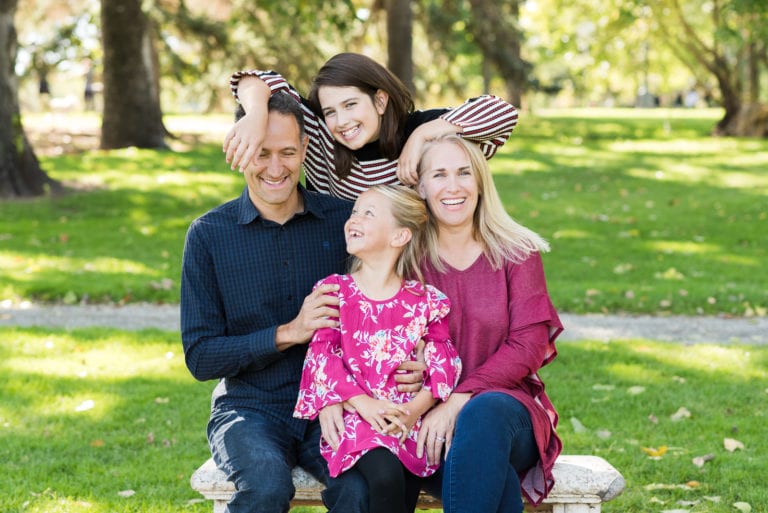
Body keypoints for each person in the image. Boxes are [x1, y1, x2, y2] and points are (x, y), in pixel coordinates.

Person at [181, 91, 374, 513]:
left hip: (333, 406)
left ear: (305, 148)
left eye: (287, 152)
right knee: (266, 487)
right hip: (249, 409)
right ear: (240, 147)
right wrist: (290, 332)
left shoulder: (347, 221)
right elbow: (201, 356)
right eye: (261, 152)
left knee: (363, 488)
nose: (275, 168)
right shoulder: (209, 235)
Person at [413, 134, 564, 513]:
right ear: (421, 186)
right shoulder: (406, 257)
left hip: (508, 410)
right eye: (439, 174)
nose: (453, 186)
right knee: (494, 480)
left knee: (483, 415)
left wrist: (460, 398)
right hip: (426, 414)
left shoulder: (517, 252)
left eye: (464, 172)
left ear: (480, 182)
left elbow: (527, 349)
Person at [293, 184, 462, 513]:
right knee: (385, 475)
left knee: (404, 481)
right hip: (357, 416)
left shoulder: (425, 301)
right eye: (354, 211)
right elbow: (322, 357)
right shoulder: (335, 291)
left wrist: (413, 413)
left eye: (368, 213)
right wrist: (363, 403)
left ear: (400, 236)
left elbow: (445, 362)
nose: (353, 219)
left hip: (407, 419)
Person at [222, 52, 518, 200]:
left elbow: (502, 113)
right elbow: (256, 79)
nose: (342, 122)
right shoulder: (321, 135)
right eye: (331, 111)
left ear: (379, 101)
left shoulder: (419, 130)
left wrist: (421, 137)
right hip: (338, 272)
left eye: (351, 105)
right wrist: (256, 114)